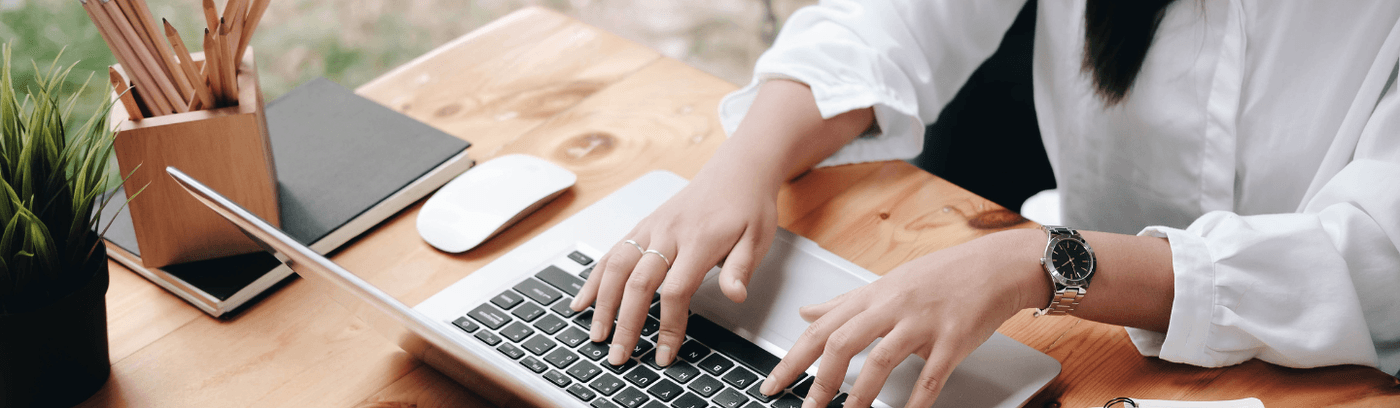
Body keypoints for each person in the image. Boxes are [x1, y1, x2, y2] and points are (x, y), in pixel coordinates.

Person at [569, 0, 1400, 407]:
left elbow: (1372, 258)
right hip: (1084, 342)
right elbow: (888, 18)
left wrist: (1037, 262)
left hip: (1340, 370)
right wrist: (738, 169)